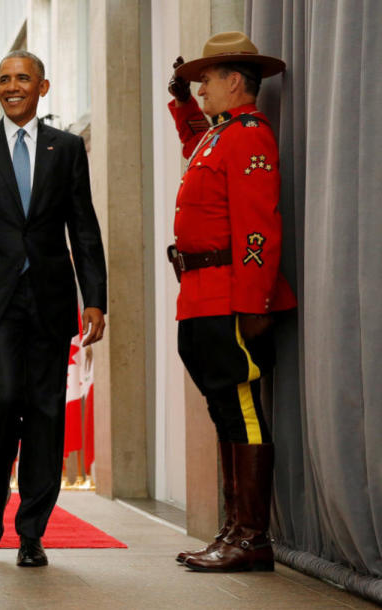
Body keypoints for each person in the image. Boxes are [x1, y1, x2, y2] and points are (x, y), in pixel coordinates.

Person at [0, 51, 107, 568]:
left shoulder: (66, 149)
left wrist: (95, 297)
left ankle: (32, 529)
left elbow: (83, 226)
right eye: (4, 80)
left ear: (43, 86)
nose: (12, 87)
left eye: (22, 79)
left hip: (53, 301)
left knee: (45, 412)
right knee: (4, 395)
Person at [166, 31, 296, 572]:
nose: (200, 90)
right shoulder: (220, 136)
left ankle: (252, 537)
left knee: (241, 410)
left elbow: (258, 226)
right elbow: (194, 142)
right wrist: (179, 100)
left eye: (205, 80)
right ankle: (233, 526)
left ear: (235, 81)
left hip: (229, 298)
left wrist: (254, 299)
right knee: (225, 411)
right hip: (201, 295)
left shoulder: (248, 136)